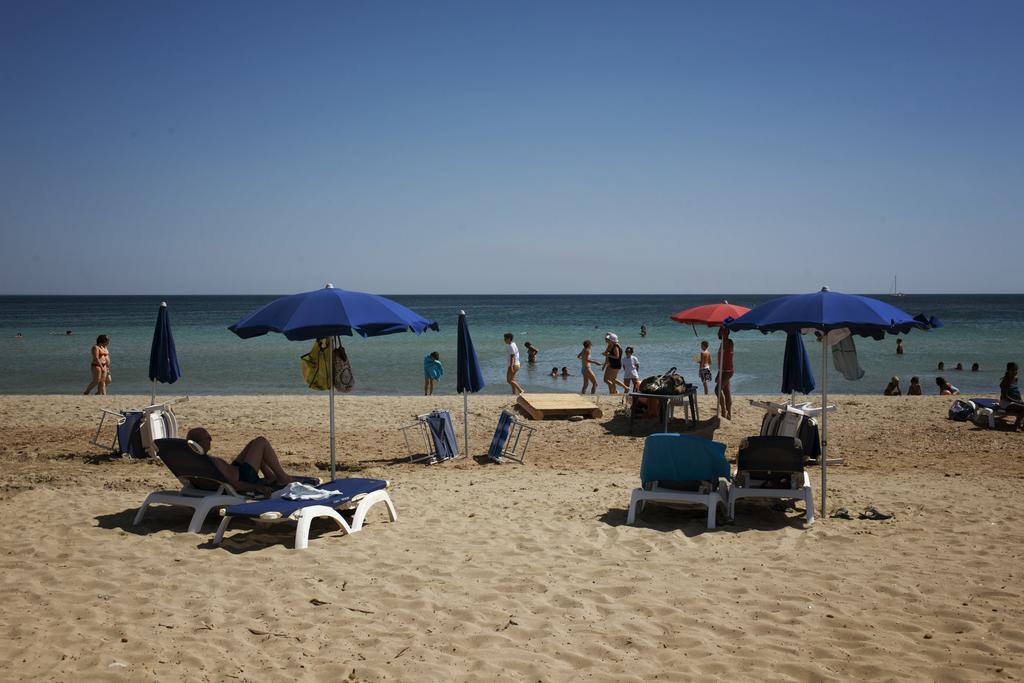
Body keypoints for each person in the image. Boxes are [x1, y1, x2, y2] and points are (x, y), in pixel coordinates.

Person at [186, 427, 295, 496]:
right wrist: (259, 488)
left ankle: (270, 477)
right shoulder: (208, 463)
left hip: (235, 470)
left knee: (253, 444)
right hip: (244, 478)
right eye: (208, 438)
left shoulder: (193, 460)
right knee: (261, 442)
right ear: (199, 443)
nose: (211, 439)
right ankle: (283, 478)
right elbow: (234, 485)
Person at [998, 362, 1024, 431]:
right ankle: (1016, 425)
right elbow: (1005, 397)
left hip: (1013, 402)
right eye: (1013, 370)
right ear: (1008, 370)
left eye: (1016, 370)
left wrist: (1020, 400)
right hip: (1005, 403)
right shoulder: (1005, 381)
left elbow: (1015, 391)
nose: (1015, 372)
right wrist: (1017, 401)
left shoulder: (1015, 378)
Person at [716, 328, 735, 419]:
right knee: (726, 392)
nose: (719, 331)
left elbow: (728, 348)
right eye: (720, 330)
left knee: (717, 390)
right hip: (722, 371)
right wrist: (718, 373)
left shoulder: (729, 342)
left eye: (722, 330)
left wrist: (724, 331)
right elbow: (721, 360)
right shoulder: (721, 343)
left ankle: (723, 410)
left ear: (727, 332)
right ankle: (729, 414)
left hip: (727, 371)